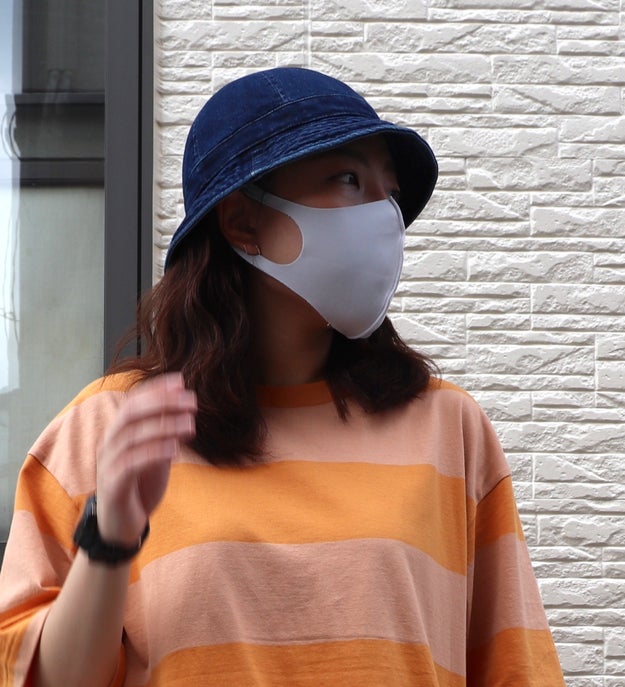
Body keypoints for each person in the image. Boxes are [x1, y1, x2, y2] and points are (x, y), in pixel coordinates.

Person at [0, 67, 565, 687]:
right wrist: (109, 537)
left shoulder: (449, 427)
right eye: (347, 179)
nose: (384, 216)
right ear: (243, 223)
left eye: (390, 191)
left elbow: (517, 671)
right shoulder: (110, 428)